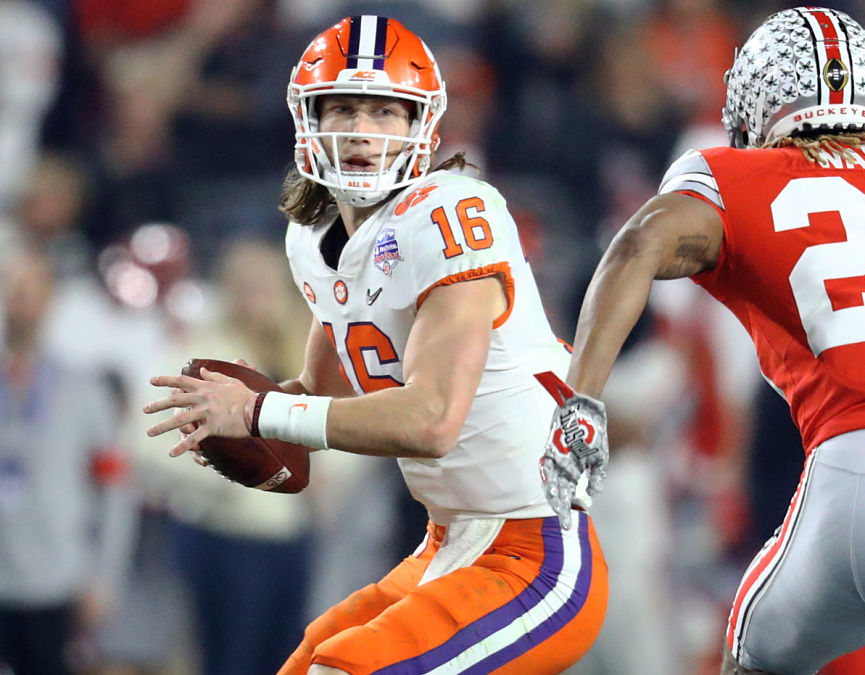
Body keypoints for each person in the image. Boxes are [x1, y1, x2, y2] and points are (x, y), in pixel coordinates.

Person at [538, 7, 865, 675]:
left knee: (751, 655)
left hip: (859, 465)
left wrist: (580, 400)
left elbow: (638, 243)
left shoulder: (737, 177)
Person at [142, 15, 607, 675]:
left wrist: (258, 411)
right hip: (447, 543)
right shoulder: (312, 239)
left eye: (384, 111)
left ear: (421, 124)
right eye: (343, 109)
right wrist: (230, 413)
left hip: (534, 555)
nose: (362, 129)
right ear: (309, 120)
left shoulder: (451, 211)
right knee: (306, 664)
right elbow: (319, 396)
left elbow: (432, 420)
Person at [0, 249, 137, 675]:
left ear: (50, 299)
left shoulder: (83, 391)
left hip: (56, 579)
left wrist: (105, 576)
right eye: (11, 288)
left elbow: (114, 489)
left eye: (30, 289)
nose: (19, 300)